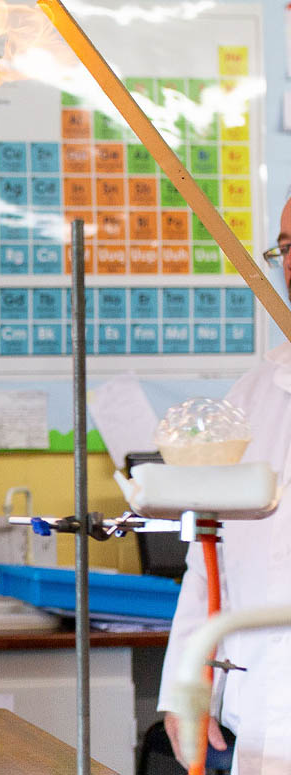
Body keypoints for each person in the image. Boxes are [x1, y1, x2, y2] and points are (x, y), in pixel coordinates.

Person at [157, 193, 291, 773]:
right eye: (286, 248)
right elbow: (210, 559)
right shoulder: (254, 396)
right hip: (265, 718)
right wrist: (187, 688)